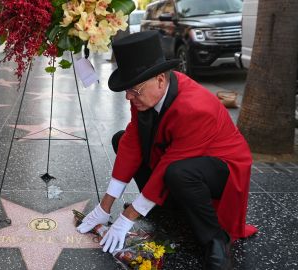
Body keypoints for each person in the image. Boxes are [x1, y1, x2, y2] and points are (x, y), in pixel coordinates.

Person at [77, 31, 258, 269]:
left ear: (160, 80)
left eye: (134, 90)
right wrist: (105, 206)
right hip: (181, 158)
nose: (129, 97)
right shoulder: (142, 96)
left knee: (178, 173)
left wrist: (127, 217)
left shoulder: (195, 108)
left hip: (223, 166)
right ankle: (162, 207)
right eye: (127, 91)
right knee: (121, 139)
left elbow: (168, 166)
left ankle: (216, 239)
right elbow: (132, 142)